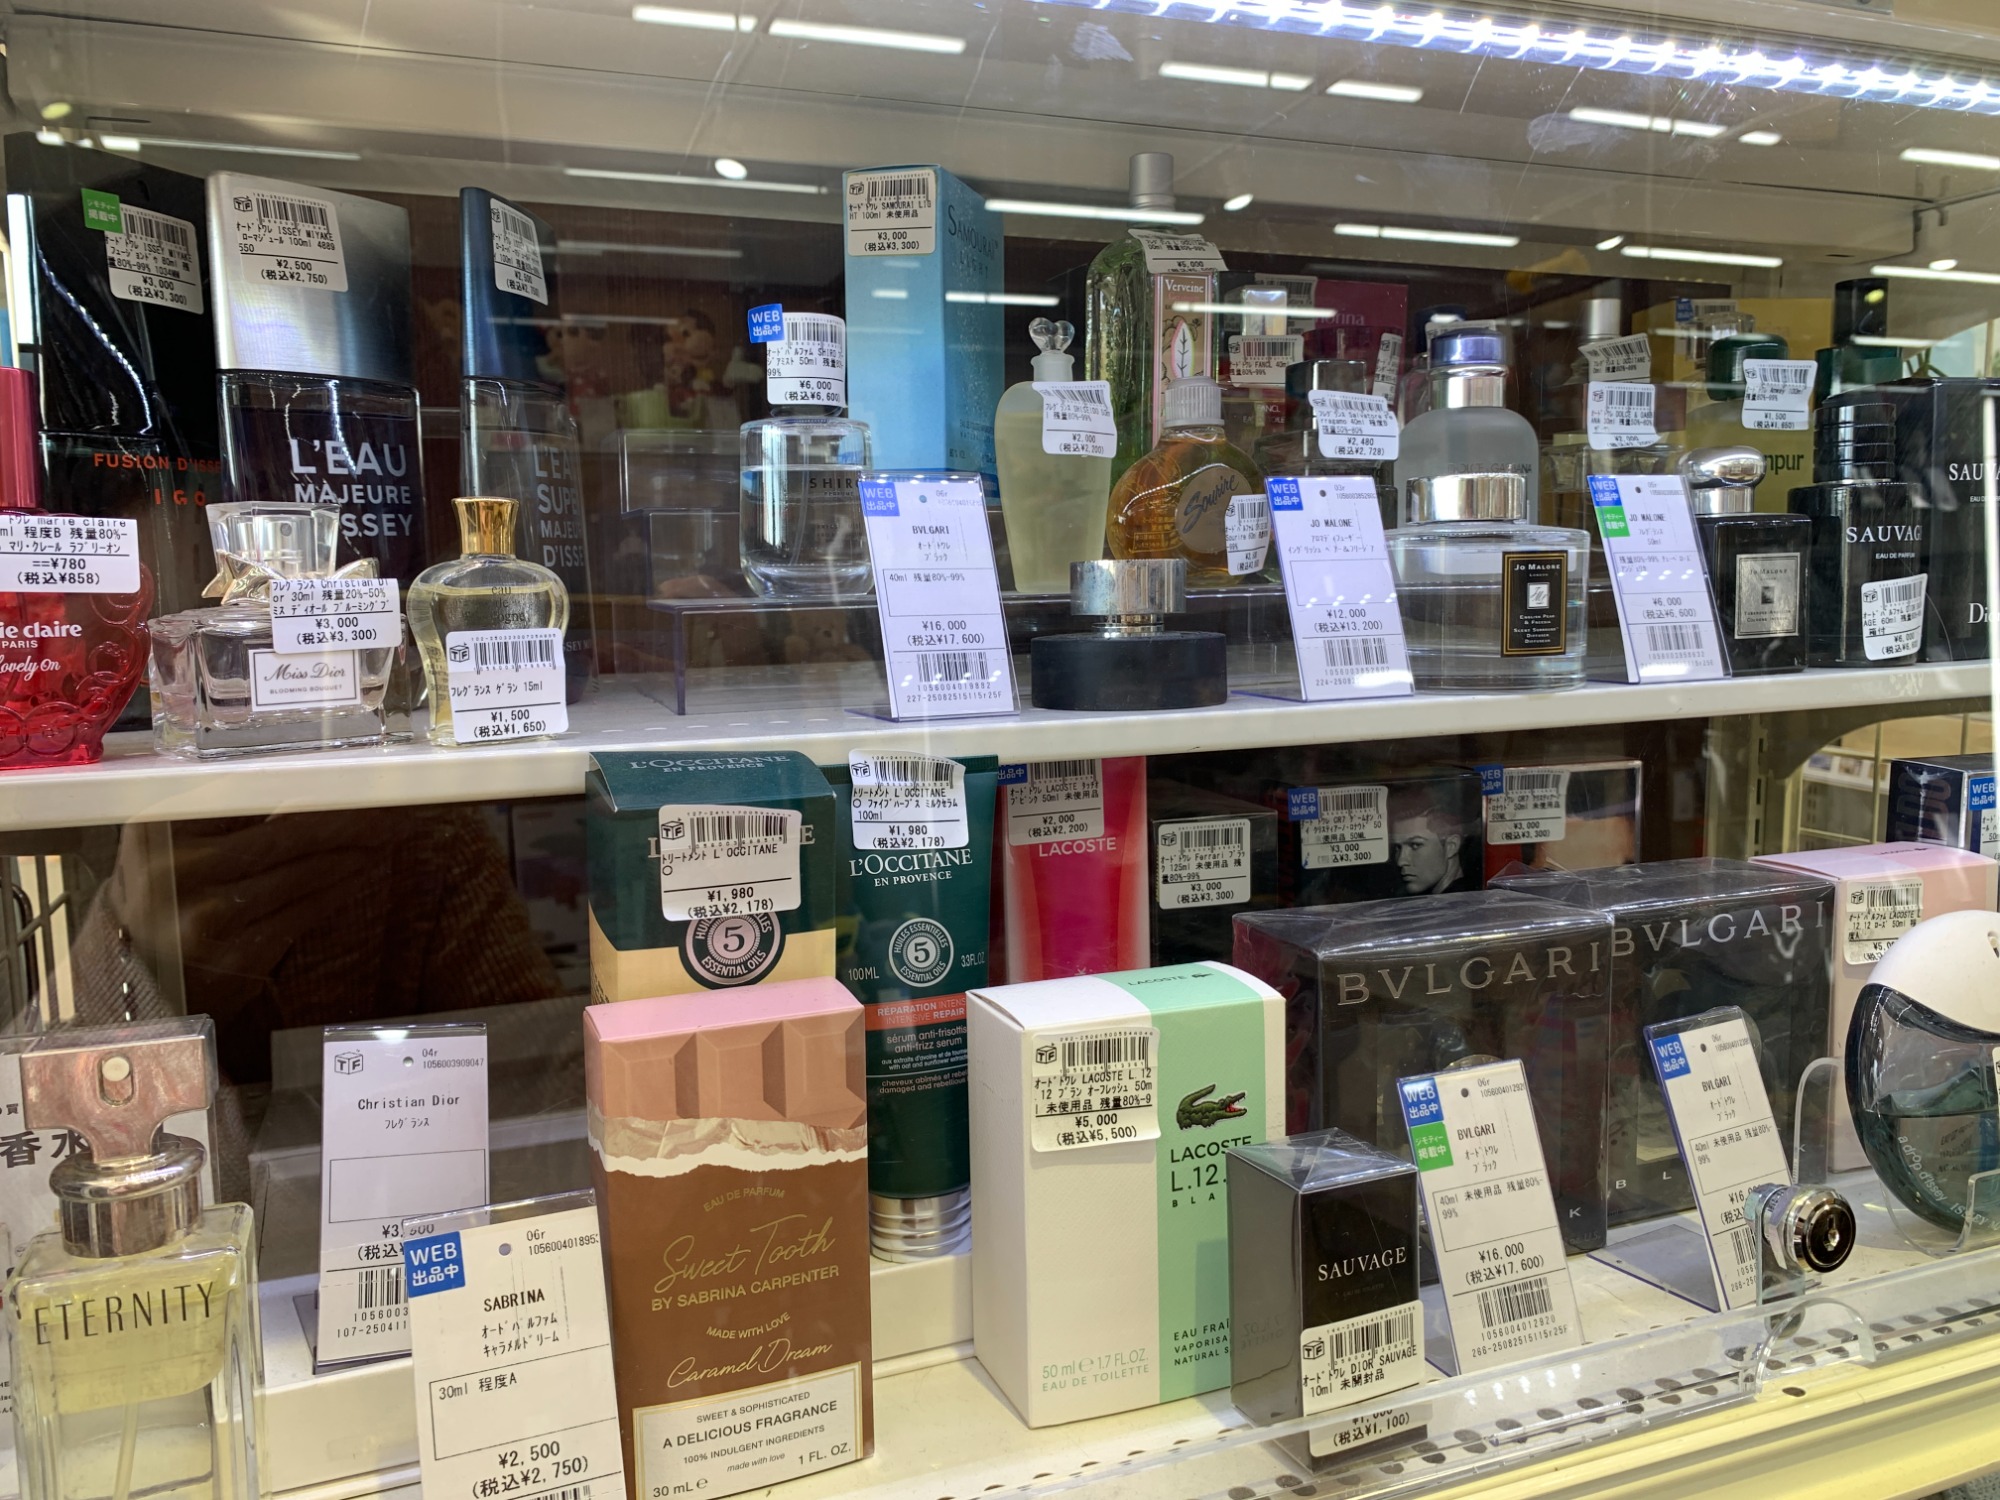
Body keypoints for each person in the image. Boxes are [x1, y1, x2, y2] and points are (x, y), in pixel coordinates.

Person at [1388, 788, 1468, 895]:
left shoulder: (1462, 902)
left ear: (1451, 846)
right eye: (1398, 847)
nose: (1401, 861)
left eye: (1415, 845)